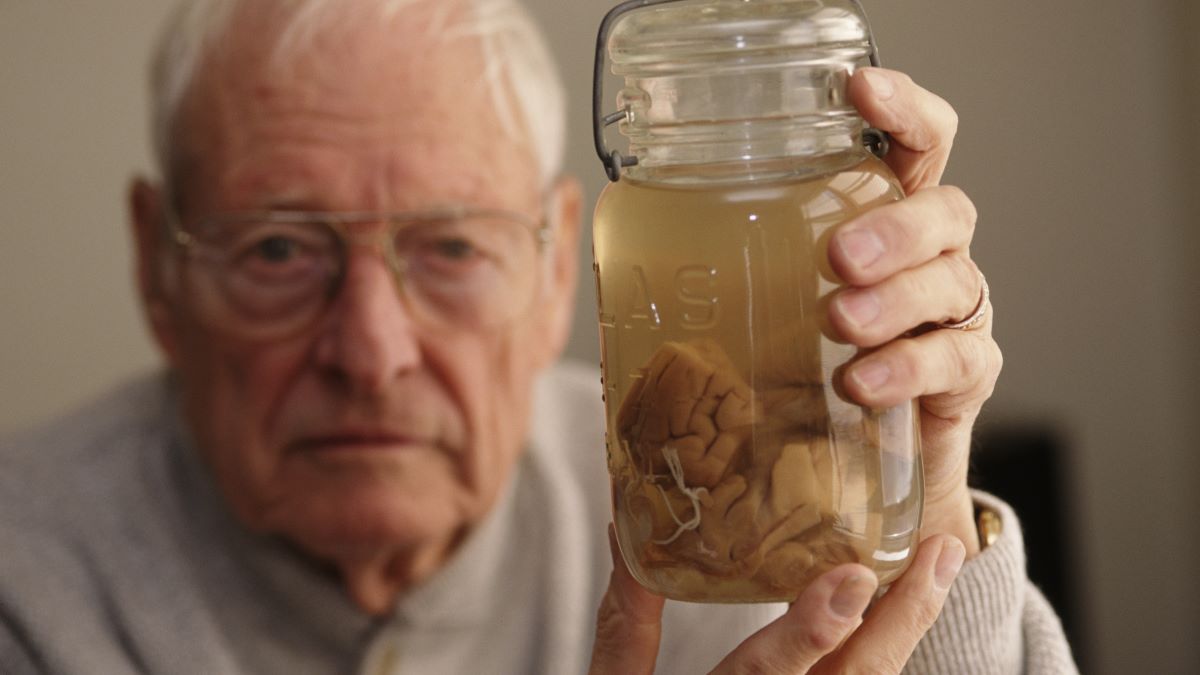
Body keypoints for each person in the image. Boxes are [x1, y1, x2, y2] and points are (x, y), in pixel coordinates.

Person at [0, 0, 1077, 673]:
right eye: (279, 251)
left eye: (453, 248)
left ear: (565, 259)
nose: (371, 353)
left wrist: (918, 507)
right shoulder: (27, 583)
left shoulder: (732, 519)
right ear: (158, 267)